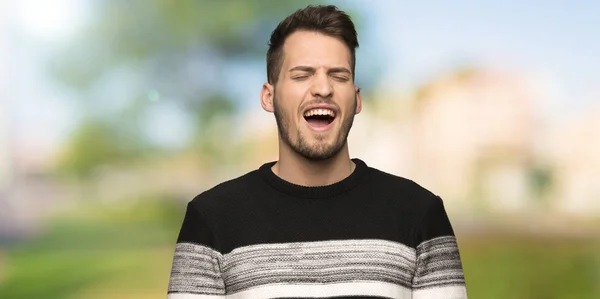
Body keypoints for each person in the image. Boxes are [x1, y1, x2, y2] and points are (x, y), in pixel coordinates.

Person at [167, 4, 468, 299]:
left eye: (339, 76)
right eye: (302, 75)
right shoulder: (211, 220)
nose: (322, 88)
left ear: (357, 99)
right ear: (269, 97)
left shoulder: (420, 215)